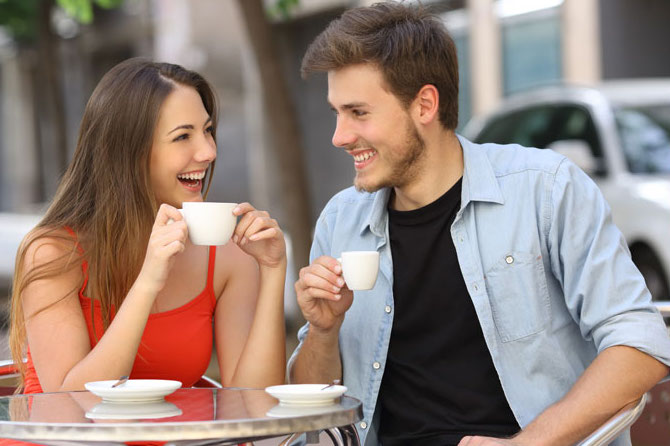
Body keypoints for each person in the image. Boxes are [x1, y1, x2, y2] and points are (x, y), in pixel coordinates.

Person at [289, 3, 670, 446]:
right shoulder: (341, 220)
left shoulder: (546, 190)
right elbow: (310, 416)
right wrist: (323, 330)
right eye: (337, 113)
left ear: (425, 105)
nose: (339, 135)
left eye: (358, 113)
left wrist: (526, 444)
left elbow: (640, 345)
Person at [9, 58, 287, 395]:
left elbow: (254, 405)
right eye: (183, 136)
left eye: (208, 131)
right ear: (127, 152)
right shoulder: (53, 254)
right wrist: (148, 282)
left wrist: (272, 270)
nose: (208, 151)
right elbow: (71, 404)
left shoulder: (226, 259)